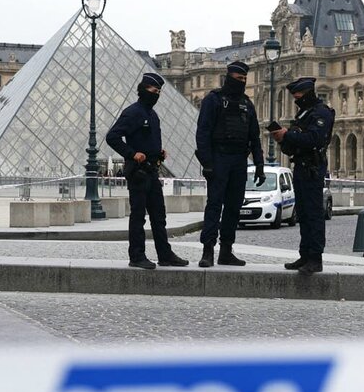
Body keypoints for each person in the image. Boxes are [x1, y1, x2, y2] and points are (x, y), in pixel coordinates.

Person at [105, 72, 188, 270]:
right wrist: (132, 154)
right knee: (138, 216)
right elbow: (112, 137)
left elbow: (148, 141)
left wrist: (159, 153)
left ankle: (165, 254)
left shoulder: (153, 115)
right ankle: (137, 256)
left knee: (159, 216)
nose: (156, 94)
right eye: (153, 90)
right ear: (143, 90)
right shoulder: (132, 112)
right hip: (138, 172)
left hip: (152, 170)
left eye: (159, 91)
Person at [195, 60, 265, 267]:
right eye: (238, 78)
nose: (242, 82)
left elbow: (255, 137)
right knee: (214, 205)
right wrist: (207, 163)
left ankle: (226, 250)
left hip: (239, 161)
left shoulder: (247, 103)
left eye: (244, 79)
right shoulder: (213, 100)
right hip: (219, 158)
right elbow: (203, 132)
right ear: (229, 77)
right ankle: (208, 250)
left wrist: (259, 165)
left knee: (234, 207)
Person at [270, 77, 335, 275]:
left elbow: (314, 139)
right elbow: (295, 146)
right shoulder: (305, 113)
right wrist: (282, 139)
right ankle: (305, 254)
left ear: (308, 92)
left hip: (313, 167)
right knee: (303, 213)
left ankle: (315, 258)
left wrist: (288, 134)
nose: (296, 99)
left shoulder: (322, 113)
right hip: (301, 166)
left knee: (314, 214)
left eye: (298, 96)